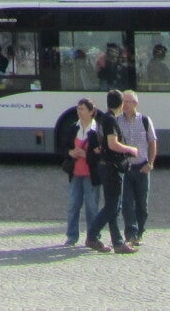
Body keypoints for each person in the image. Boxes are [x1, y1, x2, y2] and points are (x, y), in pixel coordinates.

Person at [91, 91, 137, 253]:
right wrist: (130, 149)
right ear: (121, 104)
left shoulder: (103, 118)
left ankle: (117, 242)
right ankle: (92, 236)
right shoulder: (110, 120)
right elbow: (112, 144)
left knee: (113, 206)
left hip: (105, 165)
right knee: (112, 207)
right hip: (111, 167)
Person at [115, 87, 158, 249]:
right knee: (127, 203)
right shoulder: (117, 121)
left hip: (141, 167)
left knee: (142, 204)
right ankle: (131, 234)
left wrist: (150, 163)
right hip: (125, 168)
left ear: (135, 103)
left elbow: (152, 142)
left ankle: (140, 231)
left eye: (128, 102)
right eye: (123, 102)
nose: (125, 105)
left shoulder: (145, 120)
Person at [60, 98, 102, 249]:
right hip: (75, 173)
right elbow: (63, 147)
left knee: (91, 207)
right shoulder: (73, 128)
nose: (79, 111)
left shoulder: (97, 130)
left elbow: (101, 155)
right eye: (78, 108)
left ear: (91, 111)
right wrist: (70, 152)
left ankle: (93, 236)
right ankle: (71, 236)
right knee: (73, 205)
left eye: (82, 109)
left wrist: (86, 155)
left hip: (91, 174)